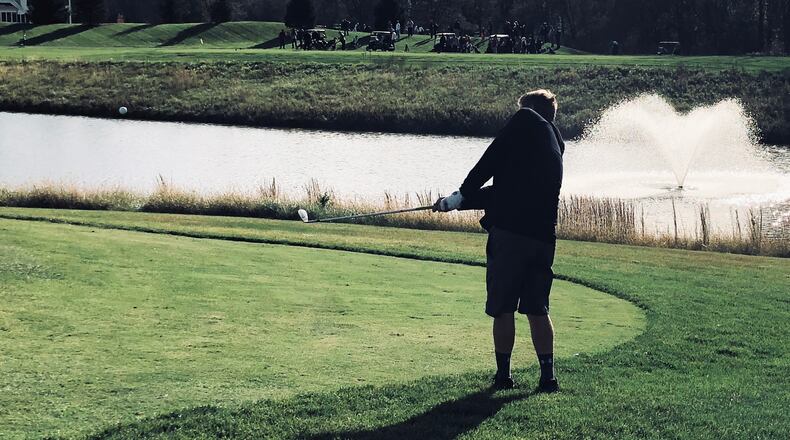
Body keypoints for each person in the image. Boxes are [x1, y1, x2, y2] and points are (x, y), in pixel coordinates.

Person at [433, 90, 565, 393]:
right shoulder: (554, 143)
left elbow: (488, 162)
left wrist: (462, 193)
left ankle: (504, 376)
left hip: (511, 235)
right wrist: (456, 203)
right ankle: (548, 378)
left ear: (530, 109)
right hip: (543, 238)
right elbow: (507, 191)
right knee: (537, 307)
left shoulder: (525, 119)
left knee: (503, 306)